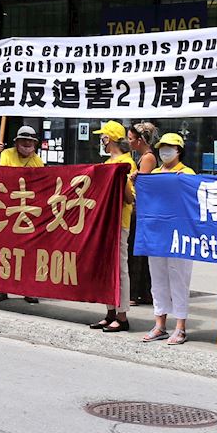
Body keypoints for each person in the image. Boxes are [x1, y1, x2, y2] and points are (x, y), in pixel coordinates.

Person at [141, 133, 196, 345]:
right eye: (162, 147)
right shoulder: (154, 173)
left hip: (179, 233)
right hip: (156, 233)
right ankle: (160, 324)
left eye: (169, 147)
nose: (165, 151)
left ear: (179, 150)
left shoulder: (187, 172)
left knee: (179, 279)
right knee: (158, 279)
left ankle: (180, 327)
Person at [0, 125, 44, 304]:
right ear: (17, 142)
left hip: (27, 213)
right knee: (4, 251)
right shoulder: (6, 155)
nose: (27, 144)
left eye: (30, 141)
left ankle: (28, 289)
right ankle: (1, 289)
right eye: (24, 140)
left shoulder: (38, 161)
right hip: (7, 211)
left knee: (28, 252)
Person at [89, 121, 134, 332]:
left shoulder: (127, 163)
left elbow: (129, 198)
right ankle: (109, 312)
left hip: (119, 222)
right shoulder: (107, 162)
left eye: (103, 137)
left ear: (110, 139)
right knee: (107, 269)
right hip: (104, 223)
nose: (102, 141)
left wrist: (122, 179)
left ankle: (122, 315)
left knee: (120, 268)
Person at [126, 122, 159, 306]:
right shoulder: (143, 157)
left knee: (136, 251)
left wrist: (133, 177)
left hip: (142, 209)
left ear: (139, 141)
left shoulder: (147, 158)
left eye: (131, 139)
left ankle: (136, 292)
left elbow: (144, 186)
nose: (128, 142)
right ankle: (144, 291)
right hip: (141, 208)